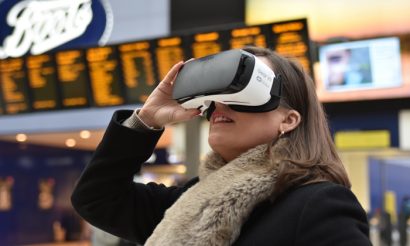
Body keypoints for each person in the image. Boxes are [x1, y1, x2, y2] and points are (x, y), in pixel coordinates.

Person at [71, 46, 371, 245]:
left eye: (240, 91)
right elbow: (97, 199)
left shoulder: (319, 204)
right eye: (215, 97)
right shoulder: (192, 200)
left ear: (289, 120)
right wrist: (146, 120)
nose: (219, 107)